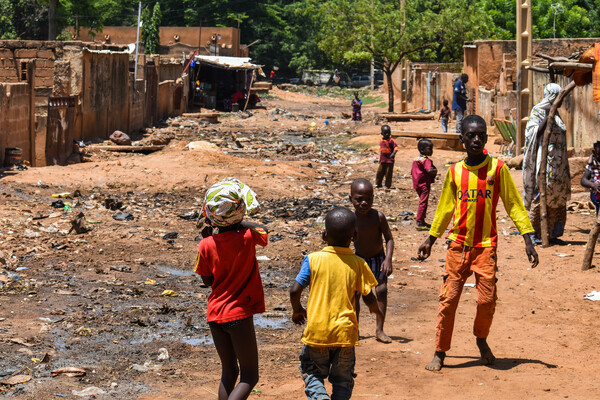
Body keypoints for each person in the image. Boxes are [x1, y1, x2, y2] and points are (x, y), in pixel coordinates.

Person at [417, 115, 539, 372]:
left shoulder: (498, 169)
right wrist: (430, 239)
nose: (476, 139)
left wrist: (528, 239)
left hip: (486, 247)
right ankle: (440, 352)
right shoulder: (454, 172)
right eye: (470, 135)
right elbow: (444, 209)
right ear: (462, 139)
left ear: (485, 138)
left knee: (486, 301)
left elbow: (514, 205)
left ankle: (481, 339)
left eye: (480, 135)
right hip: (457, 246)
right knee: (448, 301)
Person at [290, 207, 383, 400]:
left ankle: (320, 398)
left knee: (313, 374)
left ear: (324, 235)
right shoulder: (358, 263)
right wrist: (375, 308)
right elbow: (367, 295)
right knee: (343, 380)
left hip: (317, 333)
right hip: (345, 335)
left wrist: (298, 310)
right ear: (354, 236)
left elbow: (294, 290)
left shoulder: (313, 260)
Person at [194, 177, 268, 400]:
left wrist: (215, 228)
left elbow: (207, 281)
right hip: (239, 314)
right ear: (240, 210)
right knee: (249, 376)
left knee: (229, 372)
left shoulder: (205, 244)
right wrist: (240, 222)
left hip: (215, 314)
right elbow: (263, 231)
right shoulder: (247, 237)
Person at [522, 83, 570, 244]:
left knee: (557, 198)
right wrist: (547, 116)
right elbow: (532, 133)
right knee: (542, 196)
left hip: (558, 167)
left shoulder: (557, 113)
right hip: (545, 164)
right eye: (559, 98)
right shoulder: (538, 110)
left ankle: (552, 234)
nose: (562, 101)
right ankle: (536, 233)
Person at [349, 178, 394, 343]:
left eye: (368, 199)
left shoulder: (378, 217)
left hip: (378, 259)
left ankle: (379, 330)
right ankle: (355, 329)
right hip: (358, 261)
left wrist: (388, 259)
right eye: (359, 199)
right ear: (350, 199)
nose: (363, 203)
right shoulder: (350, 219)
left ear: (373, 198)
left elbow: (389, 239)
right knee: (356, 295)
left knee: (381, 291)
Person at [412, 139, 437, 230]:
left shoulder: (416, 159)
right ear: (422, 150)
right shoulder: (426, 160)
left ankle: (422, 220)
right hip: (424, 185)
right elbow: (429, 170)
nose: (431, 151)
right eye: (429, 148)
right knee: (423, 203)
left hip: (417, 184)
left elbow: (412, 171)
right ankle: (419, 221)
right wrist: (435, 170)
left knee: (422, 202)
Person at [581, 141, 600, 215]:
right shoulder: (593, 164)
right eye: (598, 154)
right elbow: (583, 180)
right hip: (596, 193)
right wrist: (593, 185)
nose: (599, 157)